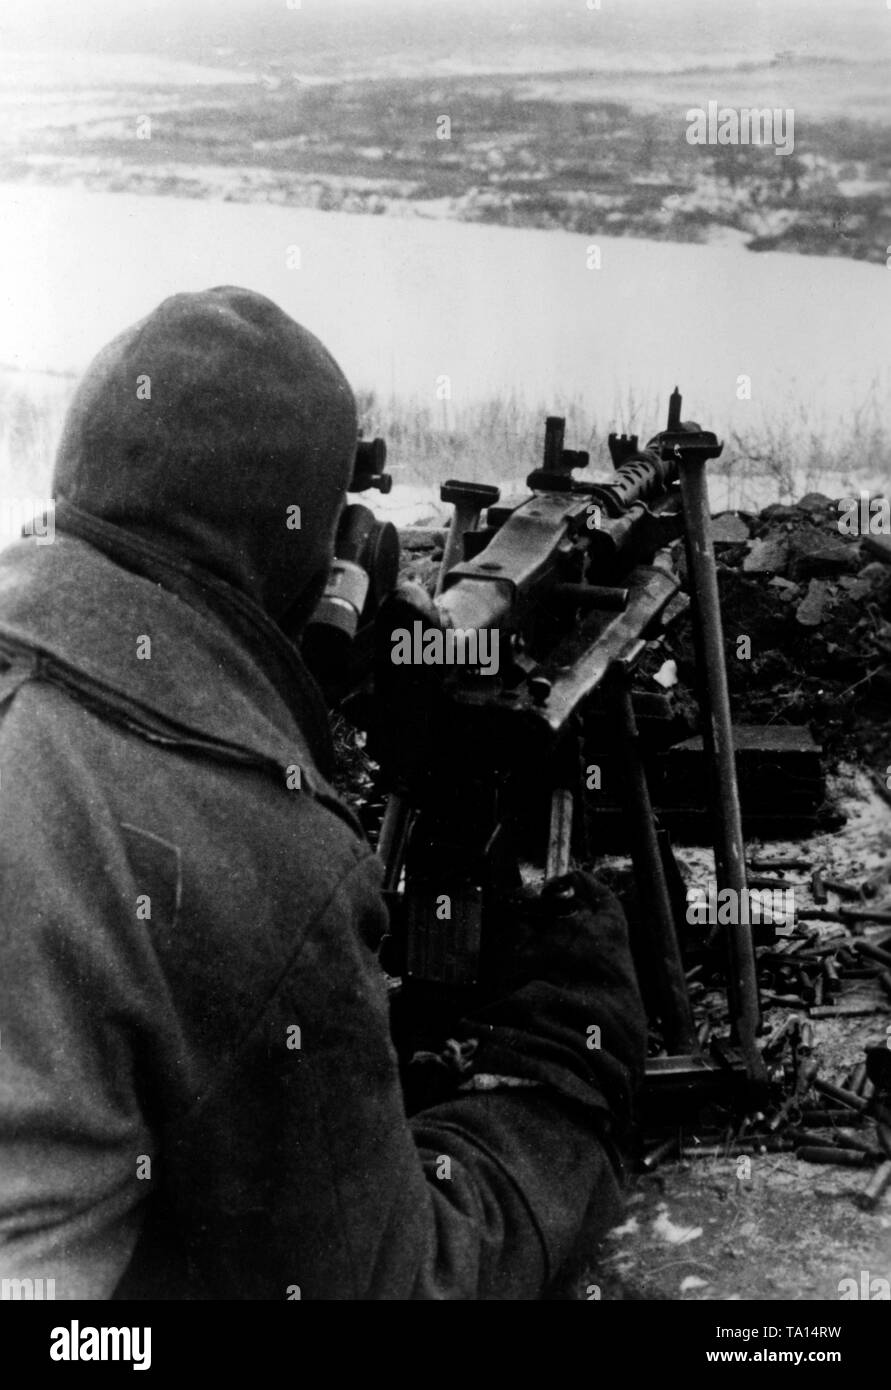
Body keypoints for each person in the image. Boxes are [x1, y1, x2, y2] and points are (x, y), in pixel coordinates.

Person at [0, 287, 646, 1300]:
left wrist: (281, 673)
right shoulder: (257, 848)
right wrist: (560, 1071)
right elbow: (394, 1284)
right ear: (318, 548)